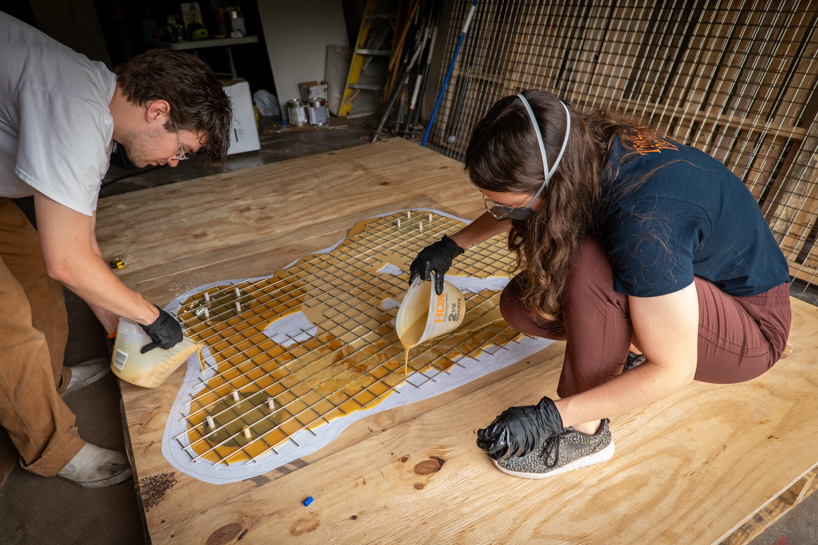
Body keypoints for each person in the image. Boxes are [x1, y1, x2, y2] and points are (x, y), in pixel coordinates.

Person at [409, 89, 791, 479]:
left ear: (552, 185)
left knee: (588, 259)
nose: (501, 214)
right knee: (521, 305)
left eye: (506, 206)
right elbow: (531, 200)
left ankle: (586, 436)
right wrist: (451, 246)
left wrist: (550, 417)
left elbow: (674, 369)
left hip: (750, 329)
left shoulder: (645, 225)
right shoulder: (580, 145)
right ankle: (628, 346)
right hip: (688, 289)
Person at [0, 12, 232, 487]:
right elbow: (67, 260)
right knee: (7, 321)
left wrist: (114, 318)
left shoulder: (96, 103)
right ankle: (52, 448)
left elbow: (79, 243)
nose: (173, 161)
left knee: (39, 283)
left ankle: (49, 381)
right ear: (158, 111)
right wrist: (150, 316)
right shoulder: (77, 110)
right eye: (182, 148)